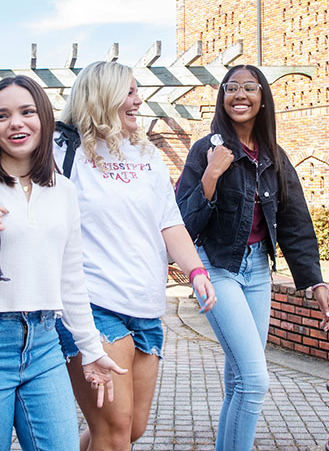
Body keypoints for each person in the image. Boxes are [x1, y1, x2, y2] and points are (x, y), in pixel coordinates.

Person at [0, 75, 126, 451]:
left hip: (44, 343)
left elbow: (70, 280)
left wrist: (91, 350)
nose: (16, 123)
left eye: (27, 112)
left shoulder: (64, 190)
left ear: (44, 120)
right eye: (2, 115)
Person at [54, 60, 217, 451]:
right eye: (128, 91)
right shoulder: (64, 149)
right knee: (115, 433)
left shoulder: (147, 156)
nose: (138, 100)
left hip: (146, 306)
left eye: (137, 90)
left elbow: (170, 223)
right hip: (93, 305)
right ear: (102, 96)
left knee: (131, 430)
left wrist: (196, 271)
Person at [175, 64, 329, 451]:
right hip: (217, 268)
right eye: (232, 88)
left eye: (250, 87)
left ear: (263, 99)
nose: (240, 95)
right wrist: (211, 176)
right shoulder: (206, 150)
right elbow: (182, 222)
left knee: (239, 381)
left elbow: (296, 222)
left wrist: (315, 281)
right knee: (254, 380)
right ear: (223, 97)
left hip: (258, 273)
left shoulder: (274, 157)